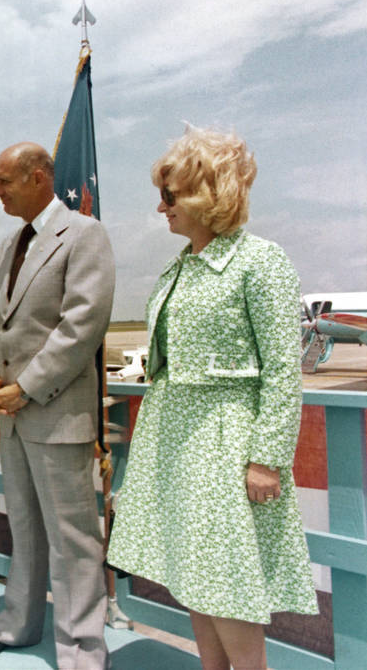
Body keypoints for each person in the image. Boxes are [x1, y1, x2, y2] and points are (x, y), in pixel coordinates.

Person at [106, 126, 319, 670]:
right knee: (196, 577)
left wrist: (266, 458)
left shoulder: (259, 261)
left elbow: (281, 370)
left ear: (209, 193)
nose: (161, 207)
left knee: (226, 582)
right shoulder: (179, 268)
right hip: (177, 440)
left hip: (226, 442)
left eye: (170, 195)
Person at [0, 143, 115, 667]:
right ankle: (19, 624)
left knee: (72, 538)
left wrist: (25, 386)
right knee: (24, 527)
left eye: (4, 181)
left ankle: (82, 649)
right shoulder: (10, 244)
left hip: (55, 410)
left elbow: (82, 325)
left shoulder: (84, 234)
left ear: (37, 177)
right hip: (13, 413)